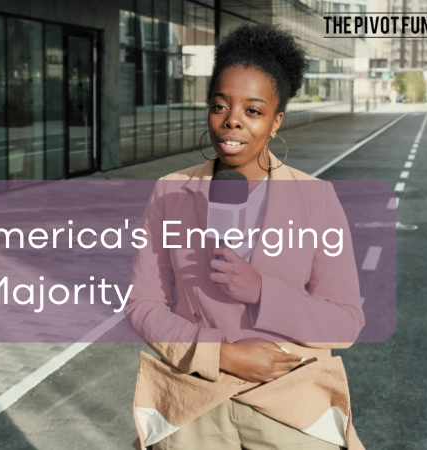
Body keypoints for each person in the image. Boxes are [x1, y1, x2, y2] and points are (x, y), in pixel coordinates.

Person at [125, 23, 366, 450]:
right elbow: (143, 304)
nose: (232, 120)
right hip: (196, 403)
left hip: (288, 406)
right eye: (220, 106)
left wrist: (262, 291)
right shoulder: (170, 192)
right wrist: (217, 353)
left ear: (276, 121)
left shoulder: (318, 199)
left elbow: (345, 321)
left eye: (252, 111)